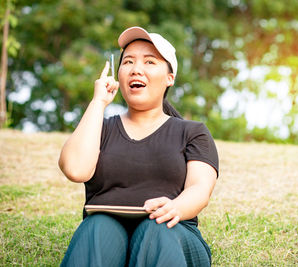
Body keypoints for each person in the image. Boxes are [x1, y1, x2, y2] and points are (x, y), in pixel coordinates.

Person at [58, 26, 219, 267]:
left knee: (156, 229)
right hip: (107, 236)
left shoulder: (192, 132)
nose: (136, 69)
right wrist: (98, 102)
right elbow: (75, 169)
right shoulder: (100, 128)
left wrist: (175, 208)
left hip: (173, 235)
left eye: (150, 62)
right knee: (97, 226)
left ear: (170, 77)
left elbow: (200, 189)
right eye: (128, 62)